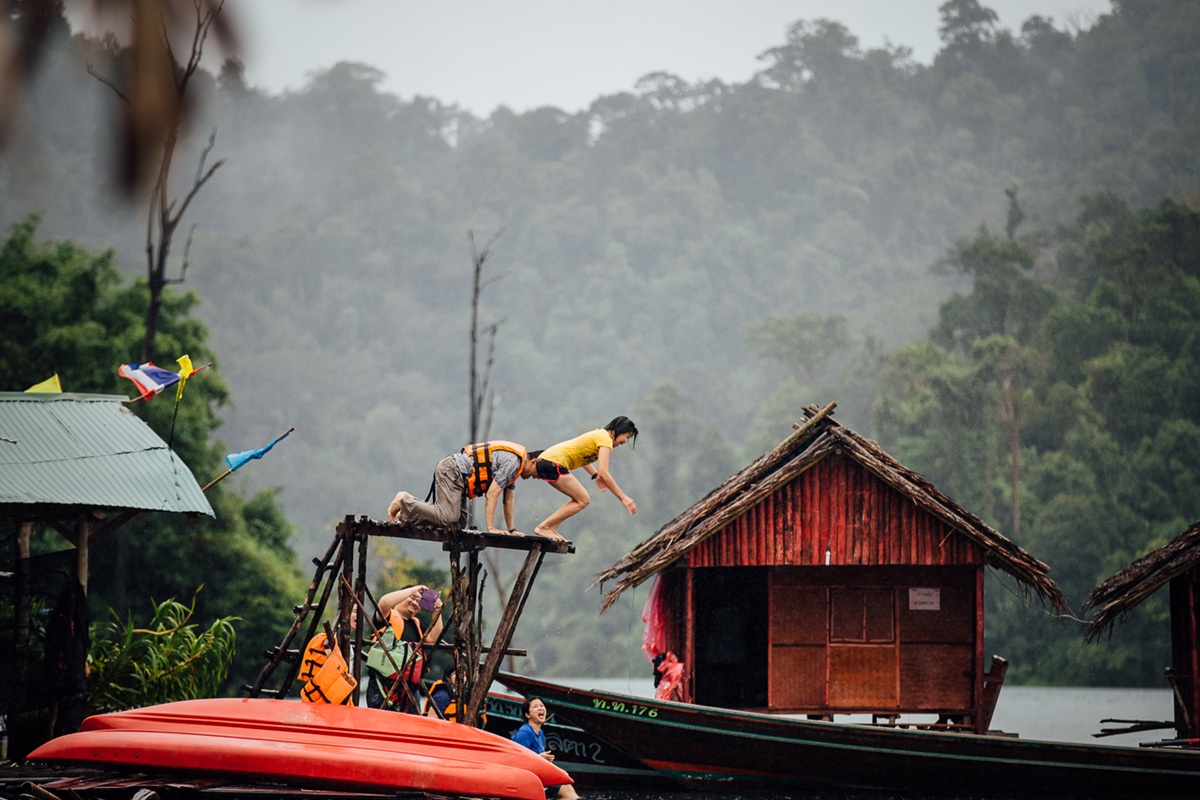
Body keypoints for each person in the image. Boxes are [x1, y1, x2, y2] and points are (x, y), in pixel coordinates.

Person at [387, 440, 539, 533]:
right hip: (453, 470)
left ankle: (409, 509)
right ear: (534, 461)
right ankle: (404, 502)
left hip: (459, 478)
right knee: (448, 518)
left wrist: (512, 531)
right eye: (535, 473)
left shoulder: (515, 470)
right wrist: (491, 528)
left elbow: (508, 501)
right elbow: (492, 494)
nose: (534, 477)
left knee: (457, 523)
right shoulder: (514, 463)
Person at [532, 416, 638, 540]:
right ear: (619, 430)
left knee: (580, 499)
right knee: (583, 500)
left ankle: (550, 528)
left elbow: (583, 457)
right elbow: (604, 472)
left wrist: (595, 476)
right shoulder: (605, 439)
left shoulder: (600, 435)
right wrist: (622, 497)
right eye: (627, 436)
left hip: (548, 461)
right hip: (553, 463)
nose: (625, 441)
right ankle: (544, 527)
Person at [365, 585, 444, 712]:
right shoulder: (387, 616)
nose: (414, 603)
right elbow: (384, 602)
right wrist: (413, 590)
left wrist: (437, 612)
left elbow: (433, 638)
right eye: (411, 598)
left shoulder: (416, 624)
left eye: (419, 602)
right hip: (383, 686)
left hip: (409, 691)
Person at [511, 697, 580, 800]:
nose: (540, 708)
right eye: (535, 706)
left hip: (538, 779)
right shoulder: (524, 733)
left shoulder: (541, 733)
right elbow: (516, 762)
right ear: (527, 715)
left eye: (542, 705)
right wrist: (539, 758)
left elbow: (542, 762)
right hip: (525, 783)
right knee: (566, 792)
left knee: (567, 786)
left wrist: (560, 772)